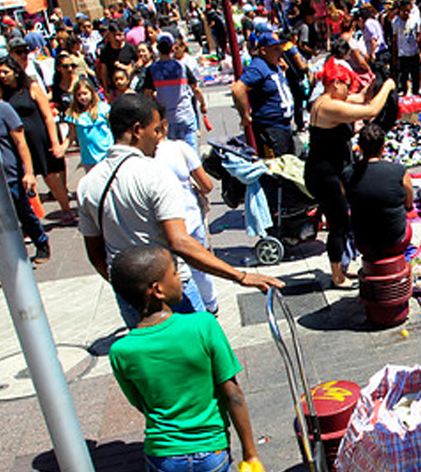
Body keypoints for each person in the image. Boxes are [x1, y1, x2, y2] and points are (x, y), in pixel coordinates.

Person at [106, 244, 266, 472]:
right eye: (175, 272)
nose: (181, 278)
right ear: (157, 289)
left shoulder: (123, 351)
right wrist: (250, 453)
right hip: (211, 454)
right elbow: (233, 394)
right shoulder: (202, 325)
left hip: (164, 459)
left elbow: (141, 403)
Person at [78, 93, 282, 328]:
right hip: (174, 293)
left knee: (156, 362)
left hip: (131, 299)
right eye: (156, 130)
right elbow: (179, 242)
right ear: (137, 130)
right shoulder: (156, 174)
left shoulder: (88, 184)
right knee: (201, 360)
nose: (159, 139)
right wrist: (241, 276)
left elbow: (96, 255)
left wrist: (128, 287)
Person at [305, 60, 396, 288]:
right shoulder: (327, 107)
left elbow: (363, 99)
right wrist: (388, 87)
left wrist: (376, 81)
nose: (348, 91)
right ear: (335, 83)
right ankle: (337, 276)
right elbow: (371, 110)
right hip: (325, 175)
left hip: (327, 170)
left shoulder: (329, 100)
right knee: (338, 224)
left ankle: (342, 266)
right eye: (346, 85)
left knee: (342, 221)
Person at [0, 56, 75, 225]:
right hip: (18, 140)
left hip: (39, 138)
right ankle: (32, 219)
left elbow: (47, 116)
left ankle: (66, 210)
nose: (2, 76)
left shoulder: (32, 87)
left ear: (16, 72)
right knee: (26, 179)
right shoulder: (3, 93)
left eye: (5, 72)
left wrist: (54, 142)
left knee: (51, 177)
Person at [0, 73, 49, 264]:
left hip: (11, 174)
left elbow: (20, 142)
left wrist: (29, 172)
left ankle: (41, 242)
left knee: (24, 213)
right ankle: (10, 260)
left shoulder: (1, 109)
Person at [156, 137, 218, 314]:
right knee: (200, 266)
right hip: (190, 219)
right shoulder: (180, 148)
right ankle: (211, 306)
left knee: (177, 273)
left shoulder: (142, 162)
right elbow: (207, 186)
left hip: (164, 229)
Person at [342, 123, 414, 260]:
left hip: (363, 242)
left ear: (360, 148)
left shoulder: (348, 174)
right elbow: (409, 203)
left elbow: (343, 201)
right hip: (397, 239)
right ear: (383, 148)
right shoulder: (399, 171)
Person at [231, 31, 295, 158]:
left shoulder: (274, 65)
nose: (280, 52)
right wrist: (245, 115)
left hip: (284, 127)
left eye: (280, 48)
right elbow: (237, 89)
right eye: (276, 49)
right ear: (264, 51)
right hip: (270, 129)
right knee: (277, 171)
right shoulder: (258, 67)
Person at [144, 32, 207, 150]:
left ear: (157, 48)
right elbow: (196, 89)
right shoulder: (182, 67)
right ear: (172, 47)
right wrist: (203, 104)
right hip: (185, 115)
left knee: (173, 153)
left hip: (167, 119)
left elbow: (147, 95)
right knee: (191, 152)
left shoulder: (152, 70)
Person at [65, 78, 114, 170]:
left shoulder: (103, 109)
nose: (82, 97)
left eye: (85, 93)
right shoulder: (74, 115)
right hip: (89, 158)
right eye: (79, 95)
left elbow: (113, 127)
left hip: (107, 154)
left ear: (92, 93)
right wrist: (62, 148)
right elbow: (71, 135)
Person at [97, 23, 139, 97]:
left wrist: (129, 69)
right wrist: (106, 88)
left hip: (130, 87)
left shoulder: (130, 48)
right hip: (114, 89)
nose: (117, 38)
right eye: (114, 35)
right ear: (109, 35)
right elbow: (104, 70)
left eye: (119, 35)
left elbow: (138, 63)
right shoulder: (105, 51)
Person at [392, 0, 421, 96]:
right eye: (404, 10)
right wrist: (395, 56)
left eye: (408, 10)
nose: (406, 13)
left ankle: (416, 93)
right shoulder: (396, 22)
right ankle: (405, 92)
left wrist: (420, 51)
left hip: (414, 51)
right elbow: (394, 39)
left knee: (416, 75)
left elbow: (418, 36)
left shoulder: (415, 20)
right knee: (404, 75)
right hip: (402, 53)